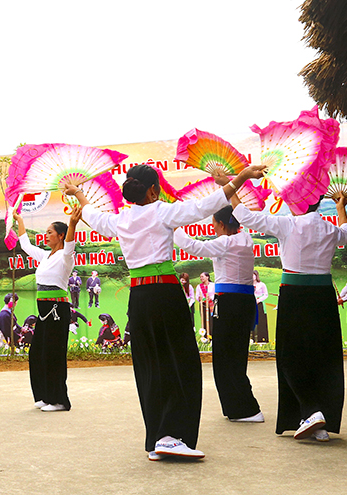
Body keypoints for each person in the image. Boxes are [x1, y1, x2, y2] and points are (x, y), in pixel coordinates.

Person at [63, 162, 266, 460]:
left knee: (150, 365)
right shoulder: (162, 211)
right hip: (165, 295)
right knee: (180, 363)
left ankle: (158, 437)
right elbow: (206, 204)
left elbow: (91, 215)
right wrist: (243, 177)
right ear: (154, 189)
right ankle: (171, 436)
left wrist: (78, 193)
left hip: (139, 298)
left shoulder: (120, 219)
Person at [230, 190, 347, 443]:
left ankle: (311, 411)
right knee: (322, 356)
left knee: (290, 356)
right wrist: (341, 207)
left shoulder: (288, 223)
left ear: (297, 203)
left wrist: (229, 187)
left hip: (295, 294)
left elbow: (245, 216)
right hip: (323, 296)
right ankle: (317, 422)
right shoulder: (329, 229)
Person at [174, 206, 263, 423]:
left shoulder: (225, 242)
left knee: (224, 356)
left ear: (222, 225)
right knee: (236, 354)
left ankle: (246, 409)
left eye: (214, 225)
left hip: (229, 302)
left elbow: (192, 246)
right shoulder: (246, 239)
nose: (214, 229)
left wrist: (174, 226)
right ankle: (240, 406)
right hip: (245, 301)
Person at [15, 206, 82, 412]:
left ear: (60, 236)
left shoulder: (65, 257)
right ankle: (44, 395)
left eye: (50, 233)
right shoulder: (45, 256)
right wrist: (19, 220)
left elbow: (70, 244)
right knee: (37, 353)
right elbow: (25, 245)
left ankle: (59, 400)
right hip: (43, 310)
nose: (46, 236)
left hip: (57, 308)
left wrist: (72, 223)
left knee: (53, 353)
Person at [253, 270, 269, 343]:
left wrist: (259, 299)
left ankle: (262, 338)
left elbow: (266, 294)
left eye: (254, 275)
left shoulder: (261, 284)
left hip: (259, 304)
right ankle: (252, 338)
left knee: (261, 320)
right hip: (251, 303)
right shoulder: (249, 284)